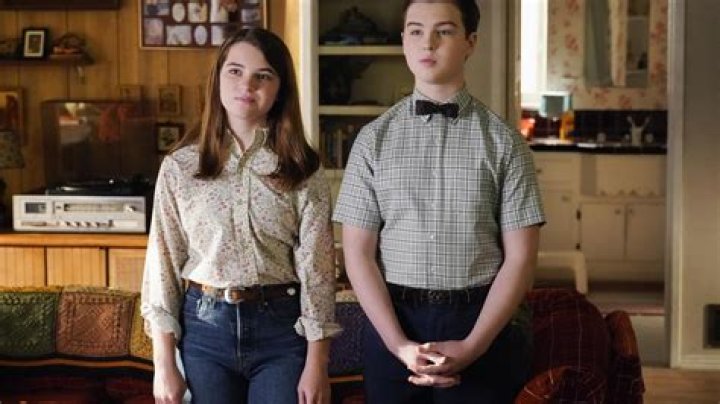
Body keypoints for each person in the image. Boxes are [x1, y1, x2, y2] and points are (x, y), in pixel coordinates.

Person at [332, 0, 545, 402]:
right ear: (403, 41)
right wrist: (399, 345)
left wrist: (473, 346)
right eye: (415, 31)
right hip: (393, 321)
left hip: (480, 322)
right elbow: (357, 253)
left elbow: (521, 259)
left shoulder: (506, 143)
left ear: (471, 42)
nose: (427, 43)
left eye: (444, 31)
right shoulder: (372, 140)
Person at [141, 28, 340, 404]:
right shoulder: (181, 167)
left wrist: (318, 363)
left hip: (282, 332)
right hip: (203, 330)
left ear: (280, 88)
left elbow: (318, 269)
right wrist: (163, 364)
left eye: (263, 75)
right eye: (235, 71)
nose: (247, 85)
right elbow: (162, 264)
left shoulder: (303, 169)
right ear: (217, 78)